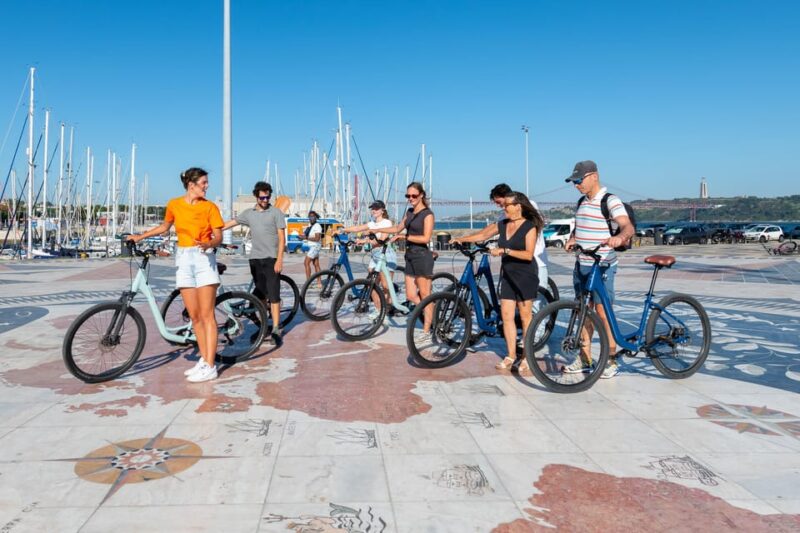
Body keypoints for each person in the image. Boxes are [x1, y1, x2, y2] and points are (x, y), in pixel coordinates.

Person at [127, 167, 223, 383]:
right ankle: (204, 360)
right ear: (192, 185)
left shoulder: (210, 207)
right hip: (183, 258)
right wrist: (140, 236)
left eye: (207, 183)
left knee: (208, 315)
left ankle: (210, 365)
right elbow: (165, 227)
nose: (207, 186)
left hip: (203, 258)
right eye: (204, 183)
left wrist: (209, 243)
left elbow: (218, 235)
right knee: (195, 315)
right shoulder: (174, 204)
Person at [454, 191, 543, 373]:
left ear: (518, 206)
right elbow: (482, 235)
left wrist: (505, 251)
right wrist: (461, 239)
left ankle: (526, 356)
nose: (504, 208)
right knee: (507, 317)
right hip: (508, 275)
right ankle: (511, 355)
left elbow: (528, 254)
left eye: (507, 205)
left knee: (526, 318)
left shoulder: (529, 226)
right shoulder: (502, 224)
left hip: (525, 275)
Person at [564, 160, 634, 379]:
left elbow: (627, 225)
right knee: (584, 312)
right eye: (573, 181)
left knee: (604, 314)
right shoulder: (581, 202)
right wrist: (572, 239)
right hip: (582, 265)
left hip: (603, 265)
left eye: (579, 180)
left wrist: (620, 237)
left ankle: (610, 360)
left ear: (593, 176)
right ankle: (585, 358)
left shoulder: (610, 200)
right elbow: (579, 226)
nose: (576, 185)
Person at [452, 183, 550, 311]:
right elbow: (485, 233)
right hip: (512, 265)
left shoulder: (527, 205)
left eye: (499, 202)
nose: (499, 206)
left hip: (535, 261)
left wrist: (504, 248)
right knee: (511, 309)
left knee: (535, 306)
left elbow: (522, 227)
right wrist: (461, 239)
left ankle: (538, 331)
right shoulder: (504, 216)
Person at [221, 181, 286, 344]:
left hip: (271, 258)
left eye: (268, 197)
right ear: (256, 197)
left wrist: (279, 259)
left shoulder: (276, 212)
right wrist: (213, 229)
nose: (265, 200)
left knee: (274, 295)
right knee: (261, 294)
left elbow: (281, 238)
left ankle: (277, 328)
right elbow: (231, 223)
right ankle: (264, 326)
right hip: (255, 259)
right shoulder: (249, 213)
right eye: (262, 197)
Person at [381, 182, 435, 337]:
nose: (410, 198)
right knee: (411, 296)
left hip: (422, 256)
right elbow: (397, 228)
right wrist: (376, 229)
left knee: (425, 294)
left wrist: (405, 236)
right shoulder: (410, 212)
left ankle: (427, 330)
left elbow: (426, 238)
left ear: (421, 195)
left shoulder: (428, 214)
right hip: (410, 256)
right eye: (408, 196)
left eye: (414, 195)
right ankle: (430, 310)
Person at [340, 200, 397, 317]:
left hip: (385, 254)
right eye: (372, 208)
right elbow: (357, 228)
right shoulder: (371, 223)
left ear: (383, 210)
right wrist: (344, 230)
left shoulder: (387, 223)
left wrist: (366, 240)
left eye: (376, 208)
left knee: (386, 287)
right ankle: (379, 311)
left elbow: (381, 239)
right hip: (375, 255)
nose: (374, 210)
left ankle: (387, 308)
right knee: (372, 286)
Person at [303, 211, 323, 282]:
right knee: (316, 264)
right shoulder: (310, 226)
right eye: (310, 217)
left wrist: (305, 238)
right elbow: (307, 235)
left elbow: (317, 238)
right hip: (313, 247)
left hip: (315, 246)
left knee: (306, 262)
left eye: (313, 216)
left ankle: (308, 282)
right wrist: (302, 237)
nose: (311, 218)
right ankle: (319, 282)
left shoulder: (317, 226)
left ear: (316, 217)